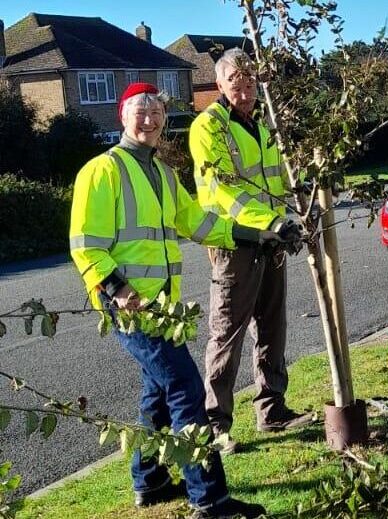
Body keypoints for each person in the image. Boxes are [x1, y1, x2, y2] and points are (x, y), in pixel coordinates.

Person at [69, 82, 272, 519]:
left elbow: (197, 222)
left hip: (162, 308)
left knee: (158, 394)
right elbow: (86, 245)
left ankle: (150, 480)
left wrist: (257, 234)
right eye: (140, 111)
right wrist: (117, 288)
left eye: (157, 112)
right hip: (128, 305)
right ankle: (210, 499)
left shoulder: (160, 172)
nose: (150, 119)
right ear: (122, 117)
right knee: (185, 389)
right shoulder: (101, 171)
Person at [189, 47, 312, 455]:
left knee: (272, 327)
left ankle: (272, 409)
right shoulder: (210, 126)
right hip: (235, 242)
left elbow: (278, 181)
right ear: (219, 84)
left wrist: (294, 217)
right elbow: (225, 189)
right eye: (236, 86)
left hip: (273, 241)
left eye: (250, 85)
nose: (244, 93)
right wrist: (271, 223)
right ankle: (215, 425)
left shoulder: (263, 126)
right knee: (227, 333)